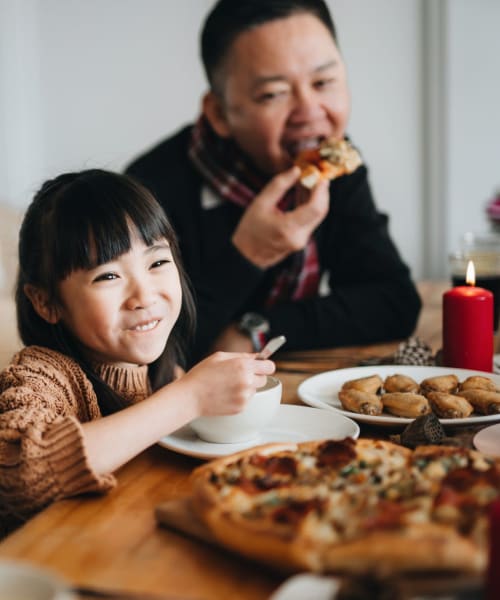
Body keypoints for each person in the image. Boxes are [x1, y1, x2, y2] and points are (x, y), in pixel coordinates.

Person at [126, 0, 421, 365]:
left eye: (323, 82)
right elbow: (143, 350)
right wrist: (249, 255)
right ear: (219, 113)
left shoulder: (335, 165)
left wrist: (256, 330)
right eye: (274, 93)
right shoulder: (148, 191)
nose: (310, 111)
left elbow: (392, 302)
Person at [0, 169, 275, 537]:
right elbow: (22, 475)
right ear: (47, 302)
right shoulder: (41, 375)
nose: (145, 296)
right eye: (108, 277)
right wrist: (189, 397)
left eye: (158, 263)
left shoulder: (163, 370)